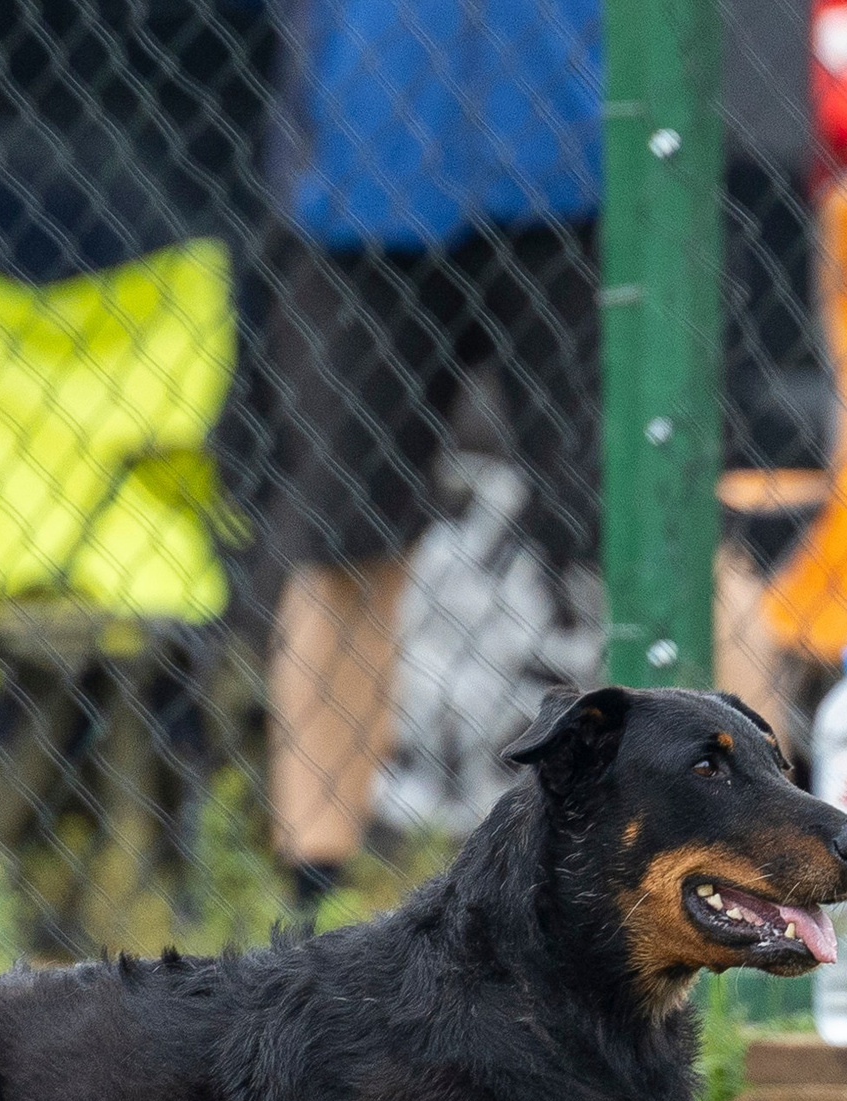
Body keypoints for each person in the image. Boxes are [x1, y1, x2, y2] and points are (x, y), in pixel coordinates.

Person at [260, 0, 602, 914]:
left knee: (666, 535)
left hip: (587, 159)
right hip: (365, 173)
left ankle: (770, 855)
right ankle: (312, 907)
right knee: (341, 547)